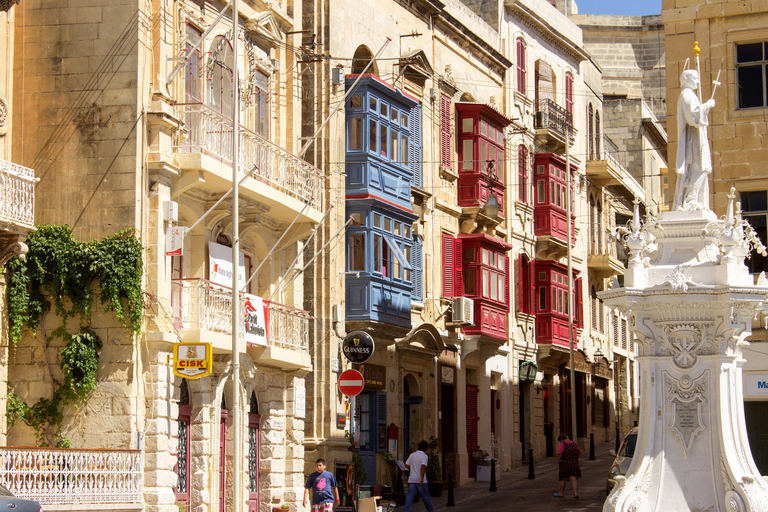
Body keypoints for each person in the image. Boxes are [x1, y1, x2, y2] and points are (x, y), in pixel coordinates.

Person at [674, 68, 716, 211]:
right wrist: (707, 105)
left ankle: (693, 198)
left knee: (700, 168)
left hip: (696, 138)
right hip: (693, 140)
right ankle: (691, 199)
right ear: (686, 79)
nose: (698, 81)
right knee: (699, 168)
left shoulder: (690, 95)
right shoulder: (687, 95)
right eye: (695, 78)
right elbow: (693, 117)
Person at [403, 440, 434, 512]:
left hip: (412, 479)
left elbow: (406, 465)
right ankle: (430, 510)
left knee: (409, 497)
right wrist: (422, 478)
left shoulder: (412, 455)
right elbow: (423, 466)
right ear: (426, 448)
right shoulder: (424, 456)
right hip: (420, 479)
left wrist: (413, 468)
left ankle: (406, 511)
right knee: (426, 497)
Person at [554, 433, 581, 498]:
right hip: (574, 463)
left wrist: (559, 461)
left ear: (562, 439)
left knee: (563, 479)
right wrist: (575, 458)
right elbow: (579, 452)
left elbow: (559, 453)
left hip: (565, 463)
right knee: (573, 478)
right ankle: (575, 493)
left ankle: (561, 493)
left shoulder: (562, 444)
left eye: (560, 440)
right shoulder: (574, 444)